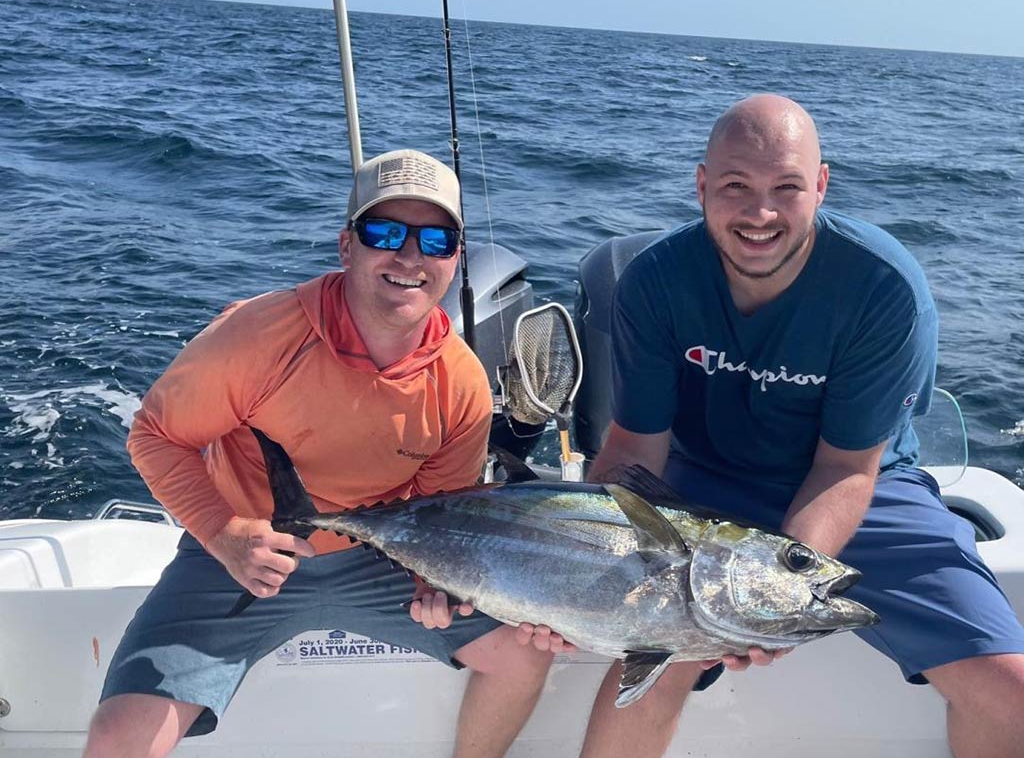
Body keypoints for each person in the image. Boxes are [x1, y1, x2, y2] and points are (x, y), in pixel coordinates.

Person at [518, 94, 1024, 758]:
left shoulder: (883, 287)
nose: (760, 214)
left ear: (821, 185)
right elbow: (636, 446)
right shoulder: (654, 283)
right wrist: (584, 581)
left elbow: (845, 468)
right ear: (702, 186)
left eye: (786, 187)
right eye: (735, 187)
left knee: (1009, 688)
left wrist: (771, 594)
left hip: (858, 485)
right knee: (648, 667)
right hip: (699, 484)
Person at [84, 149, 553, 758]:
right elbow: (155, 434)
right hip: (237, 546)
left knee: (521, 655)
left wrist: (435, 585)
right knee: (117, 736)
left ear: (454, 259)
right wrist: (223, 534)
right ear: (346, 246)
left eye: (435, 239)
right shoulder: (260, 335)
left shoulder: (461, 383)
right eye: (384, 232)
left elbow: (440, 515)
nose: (409, 256)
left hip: (378, 555)